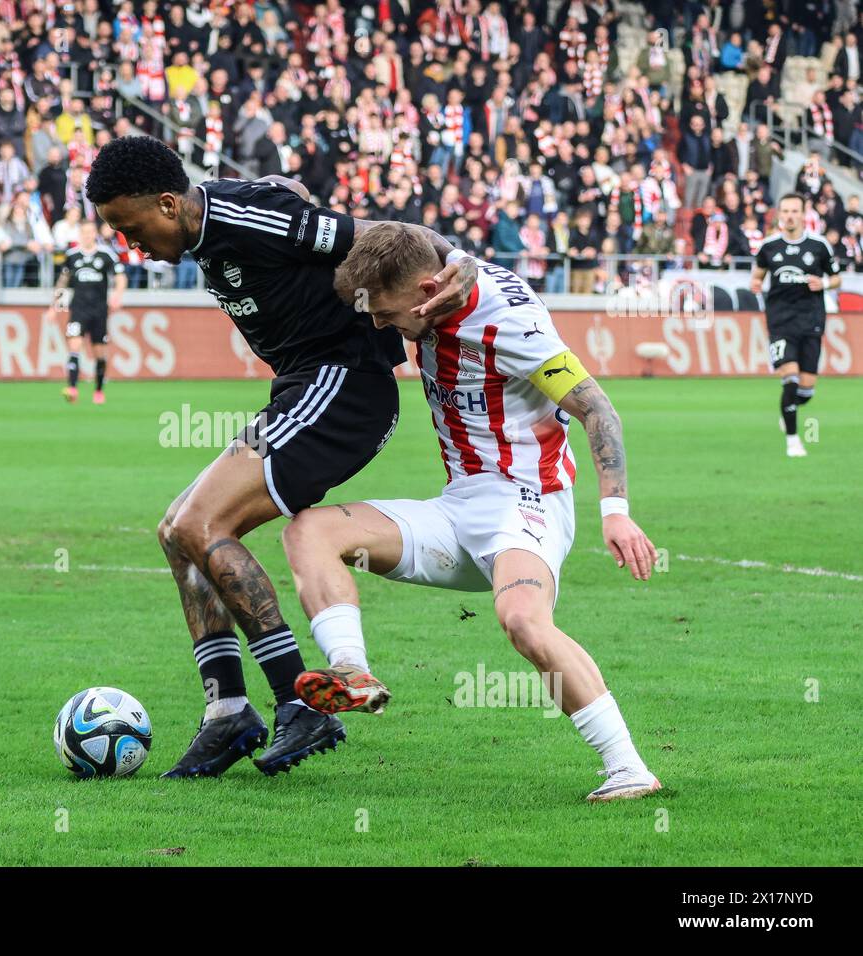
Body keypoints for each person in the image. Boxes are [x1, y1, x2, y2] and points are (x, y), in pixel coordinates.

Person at [85, 135, 477, 778]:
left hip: (344, 386)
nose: (130, 245)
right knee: (175, 531)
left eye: (130, 229)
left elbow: (377, 233)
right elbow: (286, 202)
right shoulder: (211, 223)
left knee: (198, 524)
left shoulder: (241, 218)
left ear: (166, 203)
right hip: (303, 386)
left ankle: (302, 703)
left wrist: (455, 257)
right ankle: (228, 711)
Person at [283, 223, 663, 802]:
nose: (381, 325)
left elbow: (599, 410)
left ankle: (628, 767)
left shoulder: (511, 324)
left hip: (527, 502)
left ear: (428, 289)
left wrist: (616, 511)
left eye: (387, 313)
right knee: (310, 529)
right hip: (459, 505)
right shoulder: (439, 281)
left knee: (522, 620)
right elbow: (411, 233)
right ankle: (351, 670)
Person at [750, 194, 842, 458]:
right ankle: (793, 440)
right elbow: (757, 275)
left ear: (803, 214)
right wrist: (755, 284)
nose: (789, 216)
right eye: (785, 211)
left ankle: (788, 410)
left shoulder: (819, 246)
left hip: (811, 320)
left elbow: (837, 279)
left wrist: (824, 283)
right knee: (789, 379)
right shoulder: (769, 247)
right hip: (780, 321)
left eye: (794, 211)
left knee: (806, 390)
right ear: (780, 214)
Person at [44, 220, 125, 404]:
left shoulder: (106, 255)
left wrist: (117, 295)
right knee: (74, 348)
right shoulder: (72, 256)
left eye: (90, 232)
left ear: (94, 233)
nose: (87, 235)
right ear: (80, 234)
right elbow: (63, 282)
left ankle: (98, 390)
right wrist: (53, 307)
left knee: (99, 354)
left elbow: (120, 277)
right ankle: (72, 388)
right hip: (78, 310)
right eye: (84, 232)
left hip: (99, 312)